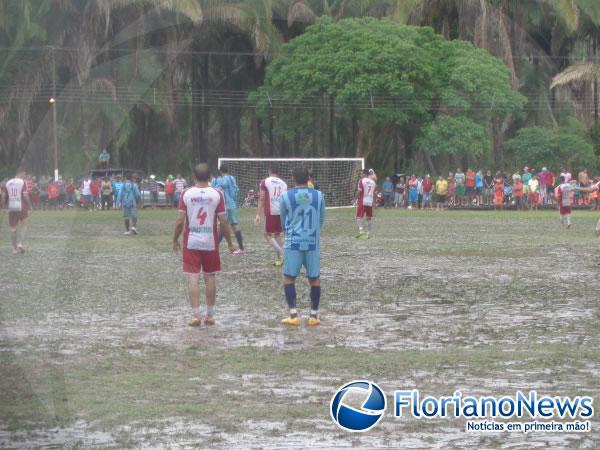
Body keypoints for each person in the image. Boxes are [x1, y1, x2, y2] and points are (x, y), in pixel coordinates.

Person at [172, 163, 236, 326]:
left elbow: (180, 221)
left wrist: (175, 239)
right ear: (210, 178)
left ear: (193, 177)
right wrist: (230, 243)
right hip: (210, 241)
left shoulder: (186, 193)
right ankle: (210, 315)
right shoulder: (217, 194)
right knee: (210, 275)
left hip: (191, 240)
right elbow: (223, 222)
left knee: (193, 276)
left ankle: (196, 315)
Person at [279, 166, 326, 326]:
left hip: (293, 242)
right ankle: (313, 316)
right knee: (314, 279)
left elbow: (283, 220)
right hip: (312, 242)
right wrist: (313, 232)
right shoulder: (319, 196)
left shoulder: (285, 196)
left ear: (293, 178)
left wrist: (290, 232)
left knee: (289, 278)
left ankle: (293, 315)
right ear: (309, 179)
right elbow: (321, 220)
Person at [255, 165, 287, 265]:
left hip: (270, 211)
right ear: (278, 173)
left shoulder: (265, 181)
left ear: (269, 171)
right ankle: (279, 260)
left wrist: (258, 214)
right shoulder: (283, 183)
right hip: (281, 212)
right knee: (277, 235)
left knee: (266, 234)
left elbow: (262, 198)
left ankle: (283, 254)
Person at [212, 164, 245, 253]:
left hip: (227, 206)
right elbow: (236, 189)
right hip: (233, 205)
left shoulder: (223, 179)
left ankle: (215, 248)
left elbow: (217, 189)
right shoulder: (232, 178)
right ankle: (241, 248)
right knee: (234, 225)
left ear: (221, 171)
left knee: (223, 225)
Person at [2, 171, 32, 254]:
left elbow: (4, 197)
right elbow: (25, 195)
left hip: (12, 207)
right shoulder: (23, 182)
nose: (25, 176)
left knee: (13, 228)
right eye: (25, 174)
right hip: (21, 207)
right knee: (24, 224)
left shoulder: (7, 183)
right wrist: (30, 206)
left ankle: (14, 249)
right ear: (20, 173)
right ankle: (20, 243)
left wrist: (4, 207)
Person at [356, 168, 377, 238]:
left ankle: (361, 231)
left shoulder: (361, 181)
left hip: (363, 201)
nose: (360, 175)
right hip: (370, 202)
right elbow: (375, 193)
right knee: (369, 218)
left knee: (359, 217)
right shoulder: (373, 182)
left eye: (361, 174)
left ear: (365, 174)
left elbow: (359, 191)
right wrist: (374, 202)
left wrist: (354, 198)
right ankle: (368, 233)